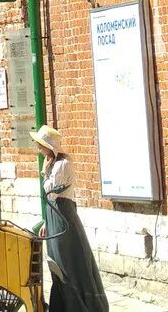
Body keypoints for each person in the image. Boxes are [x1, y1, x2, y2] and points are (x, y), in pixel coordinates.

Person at [34, 125, 108, 312]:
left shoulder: (62, 164)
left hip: (63, 216)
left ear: (49, 147)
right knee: (56, 261)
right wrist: (45, 221)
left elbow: (50, 189)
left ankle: (80, 305)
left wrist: (44, 172)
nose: (39, 150)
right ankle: (62, 305)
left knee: (68, 260)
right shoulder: (51, 164)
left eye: (41, 146)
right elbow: (49, 198)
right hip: (53, 215)